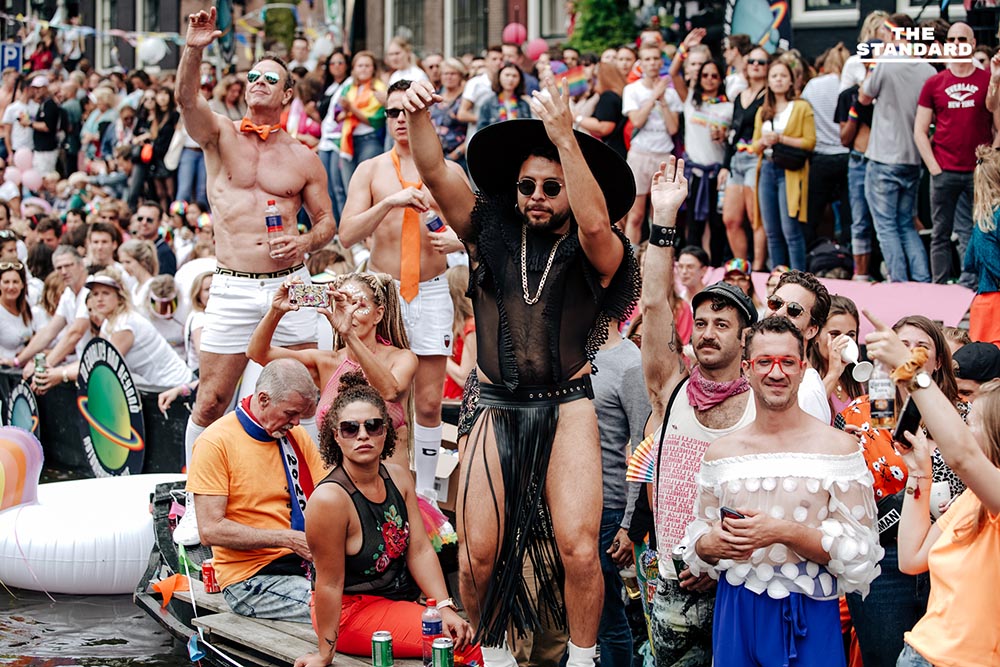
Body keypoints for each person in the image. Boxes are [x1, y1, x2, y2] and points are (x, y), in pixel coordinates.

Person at [401, 78, 640, 666]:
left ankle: (583, 663)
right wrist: (419, 111)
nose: (537, 196)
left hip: (568, 406)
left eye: (551, 187)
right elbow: (435, 172)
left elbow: (593, 227)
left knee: (580, 550)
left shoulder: (600, 249)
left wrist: (564, 136)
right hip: (494, 408)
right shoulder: (489, 233)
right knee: (478, 555)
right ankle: (498, 661)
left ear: (573, 189)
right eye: (527, 185)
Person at [173, 7, 335, 544]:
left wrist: (307, 240)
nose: (259, 83)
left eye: (272, 78)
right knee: (211, 400)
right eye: (254, 77)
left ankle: (309, 503)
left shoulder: (304, 156)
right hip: (232, 283)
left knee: (300, 399)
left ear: (288, 95)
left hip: (292, 285)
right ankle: (197, 507)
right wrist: (194, 47)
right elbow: (186, 101)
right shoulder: (219, 135)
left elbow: (328, 223)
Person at [683, 316, 882, 667]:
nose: (777, 373)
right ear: (747, 369)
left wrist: (784, 532)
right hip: (736, 609)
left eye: (787, 362)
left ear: (803, 369)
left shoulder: (838, 448)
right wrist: (706, 546)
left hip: (808, 612)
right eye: (765, 362)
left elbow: (861, 553)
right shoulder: (722, 452)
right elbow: (700, 532)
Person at [639, 157, 759, 666]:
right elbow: (653, 305)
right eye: (702, 321)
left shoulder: (765, 401)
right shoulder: (672, 386)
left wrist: (722, 557)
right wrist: (664, 220)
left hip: (746, 582)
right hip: (673, 580)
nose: (707, 332)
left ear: (746, 337)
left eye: (722, 325)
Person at [293, 372, 482, 667]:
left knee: (461, 633)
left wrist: (444, 606)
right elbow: (329, 585)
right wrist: (324, 653)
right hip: (348, 613)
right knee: (460, 647)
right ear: (335, 435)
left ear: (385, 432)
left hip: (394, 600)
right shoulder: (330, 499)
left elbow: (418, 549)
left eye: (373, 425)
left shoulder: (398, 476)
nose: (363, 435)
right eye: (350, 429)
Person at [340, 80, 468, 503]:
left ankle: (427, 495)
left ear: (424, 116)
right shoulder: (371, 169)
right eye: (392, 112)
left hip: (430, 288)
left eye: (406, 111)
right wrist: (389, 202)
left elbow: (477, 232)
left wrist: (459, 243)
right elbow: (346, 235)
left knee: (429, 402)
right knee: (377, 397)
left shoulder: (449, 172)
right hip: (382, 291)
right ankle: (374, 488)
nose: (399, 119)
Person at [863, 315, 1000, 667]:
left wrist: (909, 370)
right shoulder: (973, 498)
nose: (966, 428)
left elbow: (963, 457)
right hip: (920, 654)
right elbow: (912, 558)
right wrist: (920, 473)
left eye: (972, 422)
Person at [837, 314, 966, 667]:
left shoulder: (962, 416)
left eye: (921, 347)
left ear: (939, 360)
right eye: (901, 345)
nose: (907, 354)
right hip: (882, 561)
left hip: (949, 555)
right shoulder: (857, 417)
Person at [186, 358, 328, 623]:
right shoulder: (214, 442)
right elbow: (209, 530)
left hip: (306, 565)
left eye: (301, 415)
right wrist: (287, 539)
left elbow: (327, 495)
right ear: (263, 399)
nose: (297, 422)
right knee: (338, 609)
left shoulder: (295, 436)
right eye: (290, 413)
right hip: (251, 579)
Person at [247, 272, 416, 467]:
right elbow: (258, 353)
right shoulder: (327, 362)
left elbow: (390, 391)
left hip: (389, 488)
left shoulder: (402, 358)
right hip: (337, 488)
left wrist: (349, 334)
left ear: (378, 314)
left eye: (358, 305)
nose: (350, 312)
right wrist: (276, 310)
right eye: (343, 304)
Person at [916, 22, 994, 289]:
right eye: (952, 39)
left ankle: (970, 286)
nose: (957, 43)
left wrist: (989, 165)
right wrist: (934, 168)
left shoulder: (986, 80)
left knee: (976, 232)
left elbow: (998, 127)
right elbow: (919, 130)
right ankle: (939, 287)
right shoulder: (934, 83)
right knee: (939, 233)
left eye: (963, 38)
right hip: (944, 171)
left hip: (977, 173)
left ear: (972, 44)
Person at [858, 13, 934, 283]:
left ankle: (899, 286)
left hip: (884, 158)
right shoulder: (927, 69)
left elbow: (864, 97)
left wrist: (871, 65)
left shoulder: (886, 63)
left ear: (892, 34)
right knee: (906, 226)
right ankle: (923, 283)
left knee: (887, 227)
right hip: (913, 159)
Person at [591, 319, 649, 667]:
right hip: (560, 508)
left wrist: (630, 525)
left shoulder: (631, 363)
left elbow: (643, 447)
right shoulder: (564, 351)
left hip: (608, 509)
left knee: (607, 618)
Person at [752, 58, 816, 271]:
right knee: (771, 230)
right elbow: (753, 146)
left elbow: (810, 142)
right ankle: (778, 277)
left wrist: (780, 139)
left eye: (783, 76)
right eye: (774, 76)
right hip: (767, 167)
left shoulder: (801, 107)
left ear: (791, 81)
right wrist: (763, 141)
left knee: (791, 229)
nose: (778, 80)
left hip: (790, 171)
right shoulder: (764, 110)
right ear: (768, 81)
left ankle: (799, 276)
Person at [87, 270, 193, 388]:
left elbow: (101, 367)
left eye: (105, 293)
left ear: (119, 296)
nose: (99, 299)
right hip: (159, 389)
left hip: (177, 386)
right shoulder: (109, 321)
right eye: (95, 294)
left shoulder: (124, 324)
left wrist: (63, 373)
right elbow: (94, 357)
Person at [621, 43, 683, 244]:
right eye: (647, 59)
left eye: (656, 58)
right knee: (636, 215)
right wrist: (654, 96)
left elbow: (673, 128)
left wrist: (663, 99)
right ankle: (631, 261)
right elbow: (636, 121)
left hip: (664, 155)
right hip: (640, 154)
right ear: (641, 63)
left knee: (659, 216)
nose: (652, 63)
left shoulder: (671, 93)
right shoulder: (632, 89)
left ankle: (658, 258)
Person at [763, 269, 832, 424]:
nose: (779, 313)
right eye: (775, 303)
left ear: (811, 330)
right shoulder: (753, 371)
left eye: (794, 310)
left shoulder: (808, 392)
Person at [801, 44, 851, 248]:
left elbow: (803, 112)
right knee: (850, 216)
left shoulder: (814, 85)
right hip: (847, 155)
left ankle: (809, 258)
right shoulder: (850, 86)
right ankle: (849, 258)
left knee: (812, 214)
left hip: (821, 156)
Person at [834, 64, 876, 280]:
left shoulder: (888, 93)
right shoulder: (847, 96)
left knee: (892, 222)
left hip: (884, 161)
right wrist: (857, 107)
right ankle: (862, 273)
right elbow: (844, 139)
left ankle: (892, 272)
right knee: (859, 220)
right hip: (858, 161)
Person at [337, 51, 387, 191]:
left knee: (365, 187)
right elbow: (337, 113)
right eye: (360, 65)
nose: (363, 68)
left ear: (373, 69)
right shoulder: (348, 88)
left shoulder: (379, 89)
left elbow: (376, 121)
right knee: (349, 188)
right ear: (353, 69)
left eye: (367, 65)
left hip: (370, 140)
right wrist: (344, 112)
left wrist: (351, 109)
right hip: (348, 140)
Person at [809, 294, 864, 416]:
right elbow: (809, 412)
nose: (844, 341)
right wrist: (834, 373)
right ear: (816, 334)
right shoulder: (805, 376)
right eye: (835, 334)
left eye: (850, 335)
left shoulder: (854, 381)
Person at [578, 63, 627, 159]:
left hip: (613, 152)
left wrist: (577, 118)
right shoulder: (619, 94)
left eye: (594, 78)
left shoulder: (608, 97)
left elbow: (604, 127)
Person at [429, 58, 469, 167]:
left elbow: (474, 129)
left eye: (453, 74)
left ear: (460, 76)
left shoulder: (466, 99)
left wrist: (456, 153)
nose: (449, 77)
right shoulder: (436, 96)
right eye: (445, 74)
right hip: (435, 156)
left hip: (458, 157)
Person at [443, 265, 475, 400]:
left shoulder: (472, 326)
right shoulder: (454, 324)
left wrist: (438, 355)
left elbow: (465, 378)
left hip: (461, 405)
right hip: (447, 400)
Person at [478, 63, 533, 129]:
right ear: (499, 77)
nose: (510, 79)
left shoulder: (524, 104)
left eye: (514, 76)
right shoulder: (488, 103)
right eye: (507, 75)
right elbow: (481, 130)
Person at [0, 260, 34, 362]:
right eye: (6, 282)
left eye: (15, 282)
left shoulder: (27, 305)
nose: (11, 287)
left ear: (22, 284)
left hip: (24, 367)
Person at [134, 200, 177, 275]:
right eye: (140, 219)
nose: (144, 223)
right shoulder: (135, 247)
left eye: (149, 220)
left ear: (159, 222)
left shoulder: (165, 253)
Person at [29, 77, 61, 175]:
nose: (36, 91)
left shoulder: (50, 104)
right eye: (35, 88)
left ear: (46, 88)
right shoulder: (43, 104)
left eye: (39, 88)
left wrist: (29, 123)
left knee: (46, 176)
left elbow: (47, 126)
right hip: (40, 149)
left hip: (47, 150)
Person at [118, 238, 158, 306]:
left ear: (142, 261)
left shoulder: (153, 286)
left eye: (128, 262)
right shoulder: (135, 287)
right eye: (122, 262)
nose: (124, 267)